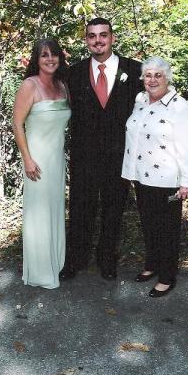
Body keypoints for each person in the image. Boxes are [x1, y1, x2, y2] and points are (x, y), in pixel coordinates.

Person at [61, 17, 142, 280]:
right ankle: (76, 259)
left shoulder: (135, 70)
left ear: (112, 38)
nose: (98, 40)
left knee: (113, 208)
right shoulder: (73, 73)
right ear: (86, 40)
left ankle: (107, 259)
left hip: (120, 155)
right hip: (84, 155)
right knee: (81, 207)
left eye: (103, 35)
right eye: (92, 36)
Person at [122, 56, 188, 297]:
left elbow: (187, 146)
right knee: (148, 225)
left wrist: (187, 181)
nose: (152, 80)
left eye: (158, 75)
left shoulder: (180, 107)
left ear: (167, 78)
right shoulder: (140, 101)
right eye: (148, 75)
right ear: (142, 78)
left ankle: (167, 276)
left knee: (167, 228)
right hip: (142, 178)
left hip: (167, 180)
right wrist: (130, 172)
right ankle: (152, 264)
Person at [13, 38, 71, 289]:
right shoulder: (30, 85)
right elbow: (17, 124)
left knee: (54, 211)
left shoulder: (62, 86)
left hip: (56, 160)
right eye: (44, 55)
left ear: (60, 58)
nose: (50, 59)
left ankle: (54, 264)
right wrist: (27, 159)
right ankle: (39, 272)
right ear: (36, 59)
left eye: (54, 54)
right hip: (36, 161)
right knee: (38, 214)